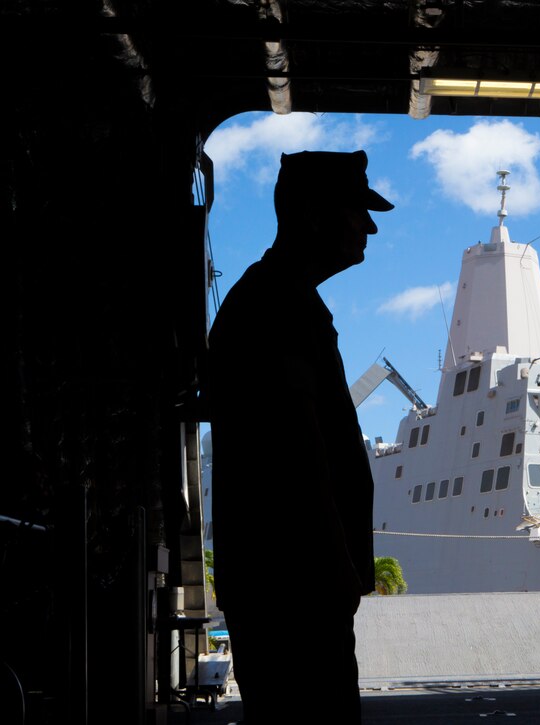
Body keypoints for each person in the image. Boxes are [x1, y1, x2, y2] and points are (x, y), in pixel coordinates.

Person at [206, 150, 393, 723]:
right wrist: (336, 573)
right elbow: (298, 453)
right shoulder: (275, 309)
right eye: (356, 210)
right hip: (295, 589)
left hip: (297, 585)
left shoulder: (283, 301)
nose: (369, 225)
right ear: (313, 214)